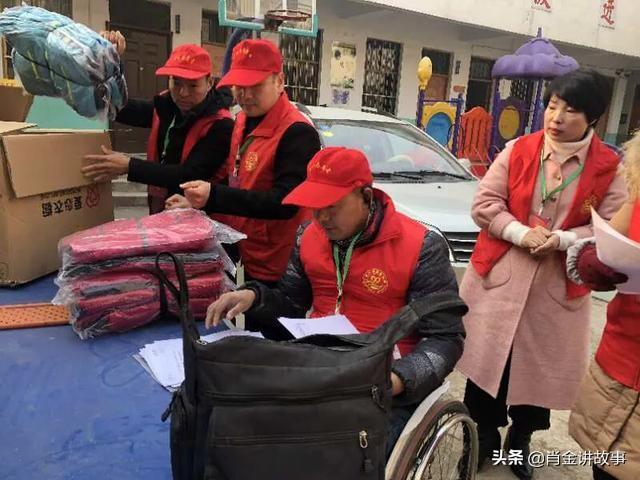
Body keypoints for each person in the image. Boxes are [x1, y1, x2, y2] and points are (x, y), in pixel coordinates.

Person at [204, 147, 468, 457]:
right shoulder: (308, 236)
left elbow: (445, 338)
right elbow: (290, 302)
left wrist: (397, 380)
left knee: (340, 454)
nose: (321, 218)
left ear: (365, 196)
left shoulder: (421, 246)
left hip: (382, 378)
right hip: (318, 366)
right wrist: (254, 297)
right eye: (315, 206)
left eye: (332, 206)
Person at [456, 69, 628, 479]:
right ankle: (483, 437)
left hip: (556, 284)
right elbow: (485, 204)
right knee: (488, 367)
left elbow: (611, 226)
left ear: (593, 117)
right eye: (553, 106)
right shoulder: (518, 149)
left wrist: (564, 239)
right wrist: (519, 232)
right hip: (501, 279)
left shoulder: (609, 168)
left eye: (571, 110)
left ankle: (520, 441)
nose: (557, 117)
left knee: (537, 375)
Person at [165, 39, 321, 337]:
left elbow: (284, 203)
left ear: (279, 81)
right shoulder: (242, 120)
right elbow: (237, 180)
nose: (245, 95)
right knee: (246, 333)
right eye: (239, 86)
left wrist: (214, 196)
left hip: (280, 263)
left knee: (274, 341)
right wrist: (199, 201)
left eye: (255, 86)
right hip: (247, 252)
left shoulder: (297, 132)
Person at [82, 31, 234, 214]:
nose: (183, 93)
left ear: (209, 82)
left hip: (202, 218)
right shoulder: (166, 106)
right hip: (162, 209)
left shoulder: (222, 124)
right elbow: (118, 107)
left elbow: (189, 174)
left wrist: (129, 166)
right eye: (176, 83)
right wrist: (109, 59)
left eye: (193, 85)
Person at [566, 130, 640, 480]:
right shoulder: (638, 197)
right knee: (605, 467)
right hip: (618, 367)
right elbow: (608, 239)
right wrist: (593, 260)